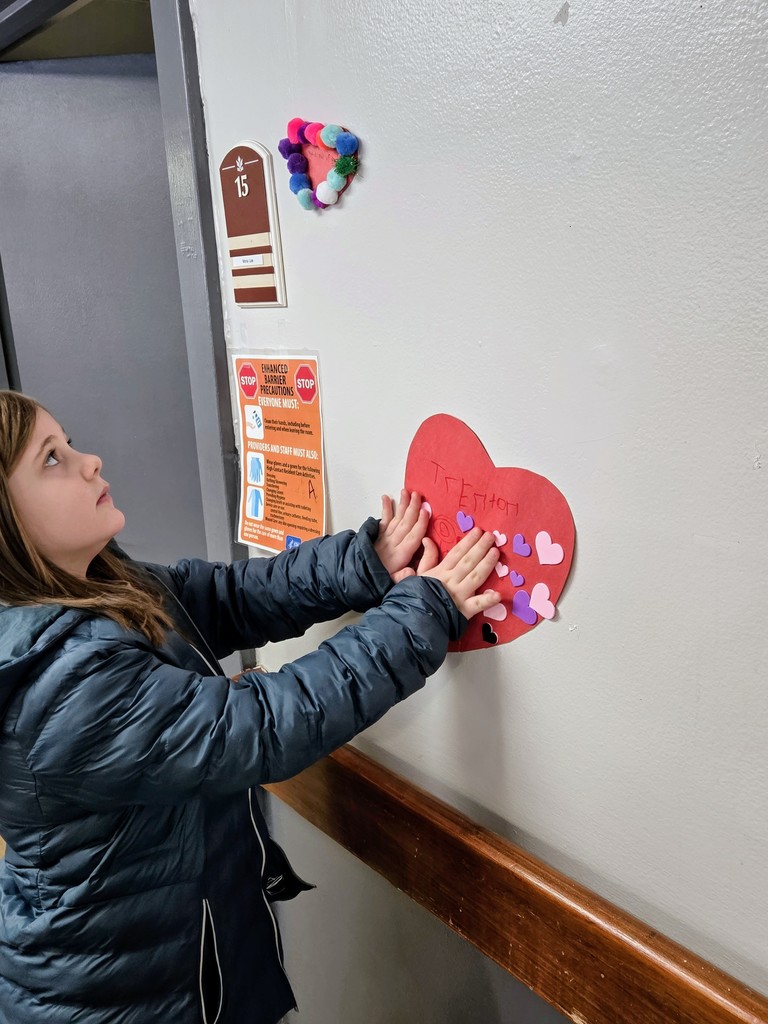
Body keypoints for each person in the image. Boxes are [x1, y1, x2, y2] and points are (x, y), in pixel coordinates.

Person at [0, 389, 500, 1024]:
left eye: (69, 443)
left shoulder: (100, 586)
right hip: (121, 998)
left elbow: (224, 597)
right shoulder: (60, 680)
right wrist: (421, 614)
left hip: (177, 958)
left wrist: (362, 563)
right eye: (52, 459)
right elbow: (257, 726)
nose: (90, 461)